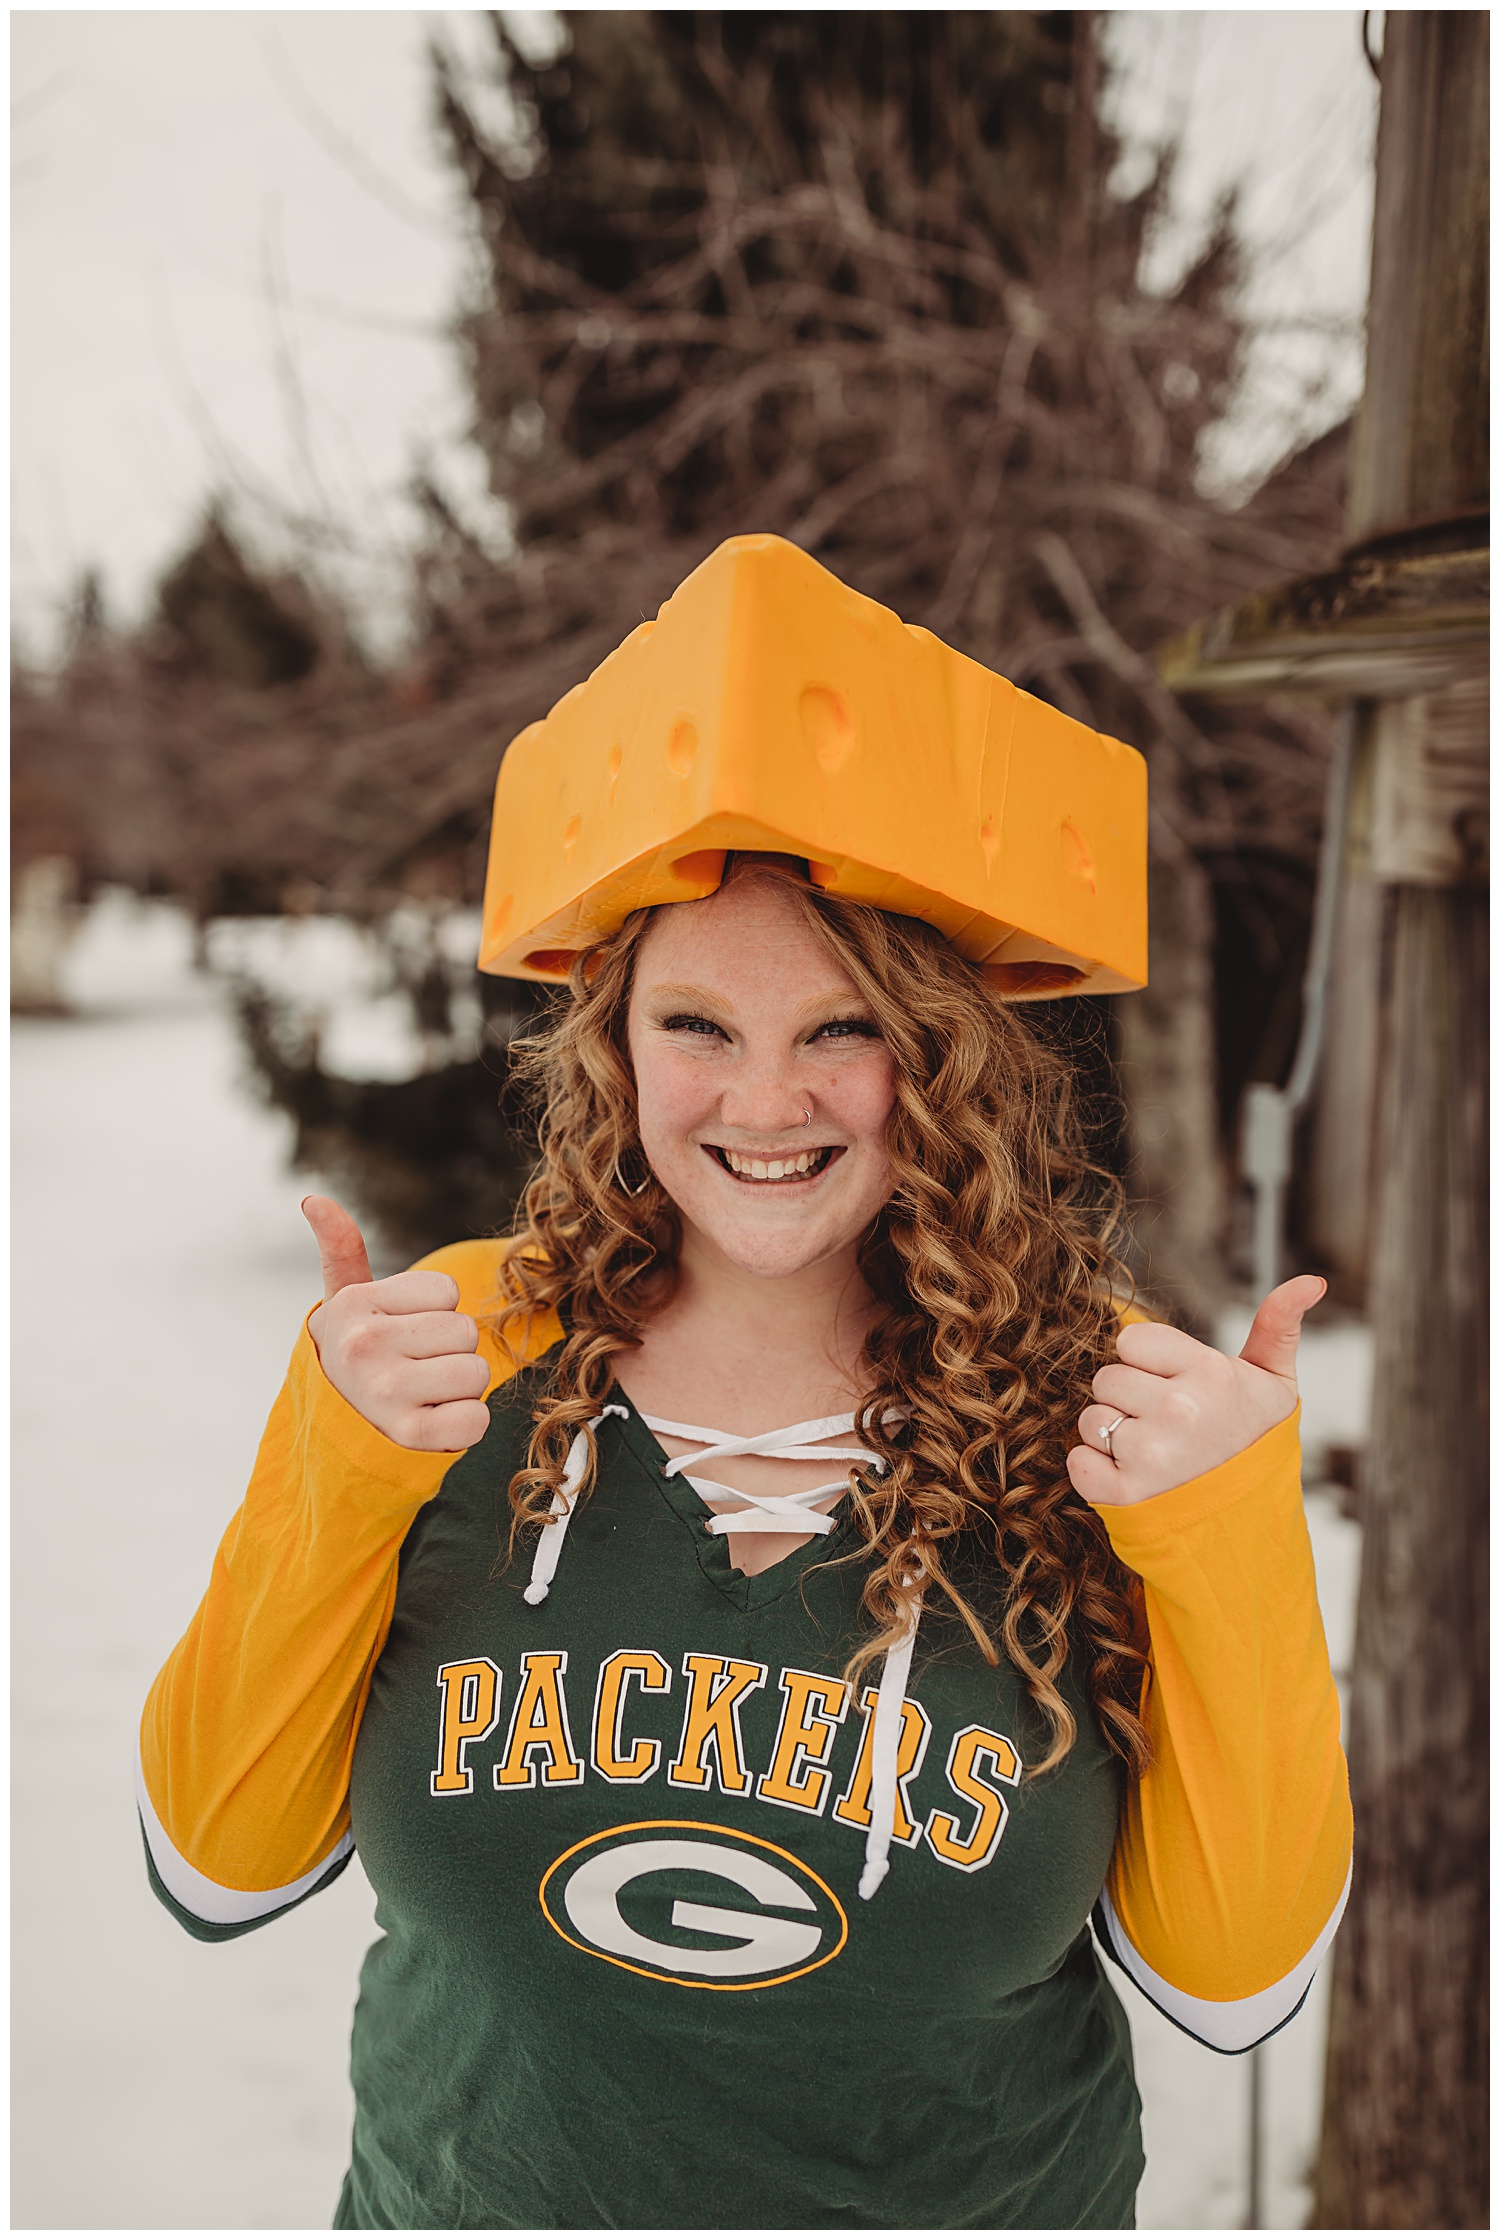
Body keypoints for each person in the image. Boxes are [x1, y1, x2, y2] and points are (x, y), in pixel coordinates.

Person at [139, 541, 1351, 2230]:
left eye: (840, 1030)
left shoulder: (1099, 1417)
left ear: (939, 1056)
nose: (762, 1104)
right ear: (612, 1044)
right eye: (697, 1025)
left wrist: (1225, 1537)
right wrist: (336, 1469)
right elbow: (214, 1861)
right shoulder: (455, 1356)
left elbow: (1237, 1985)